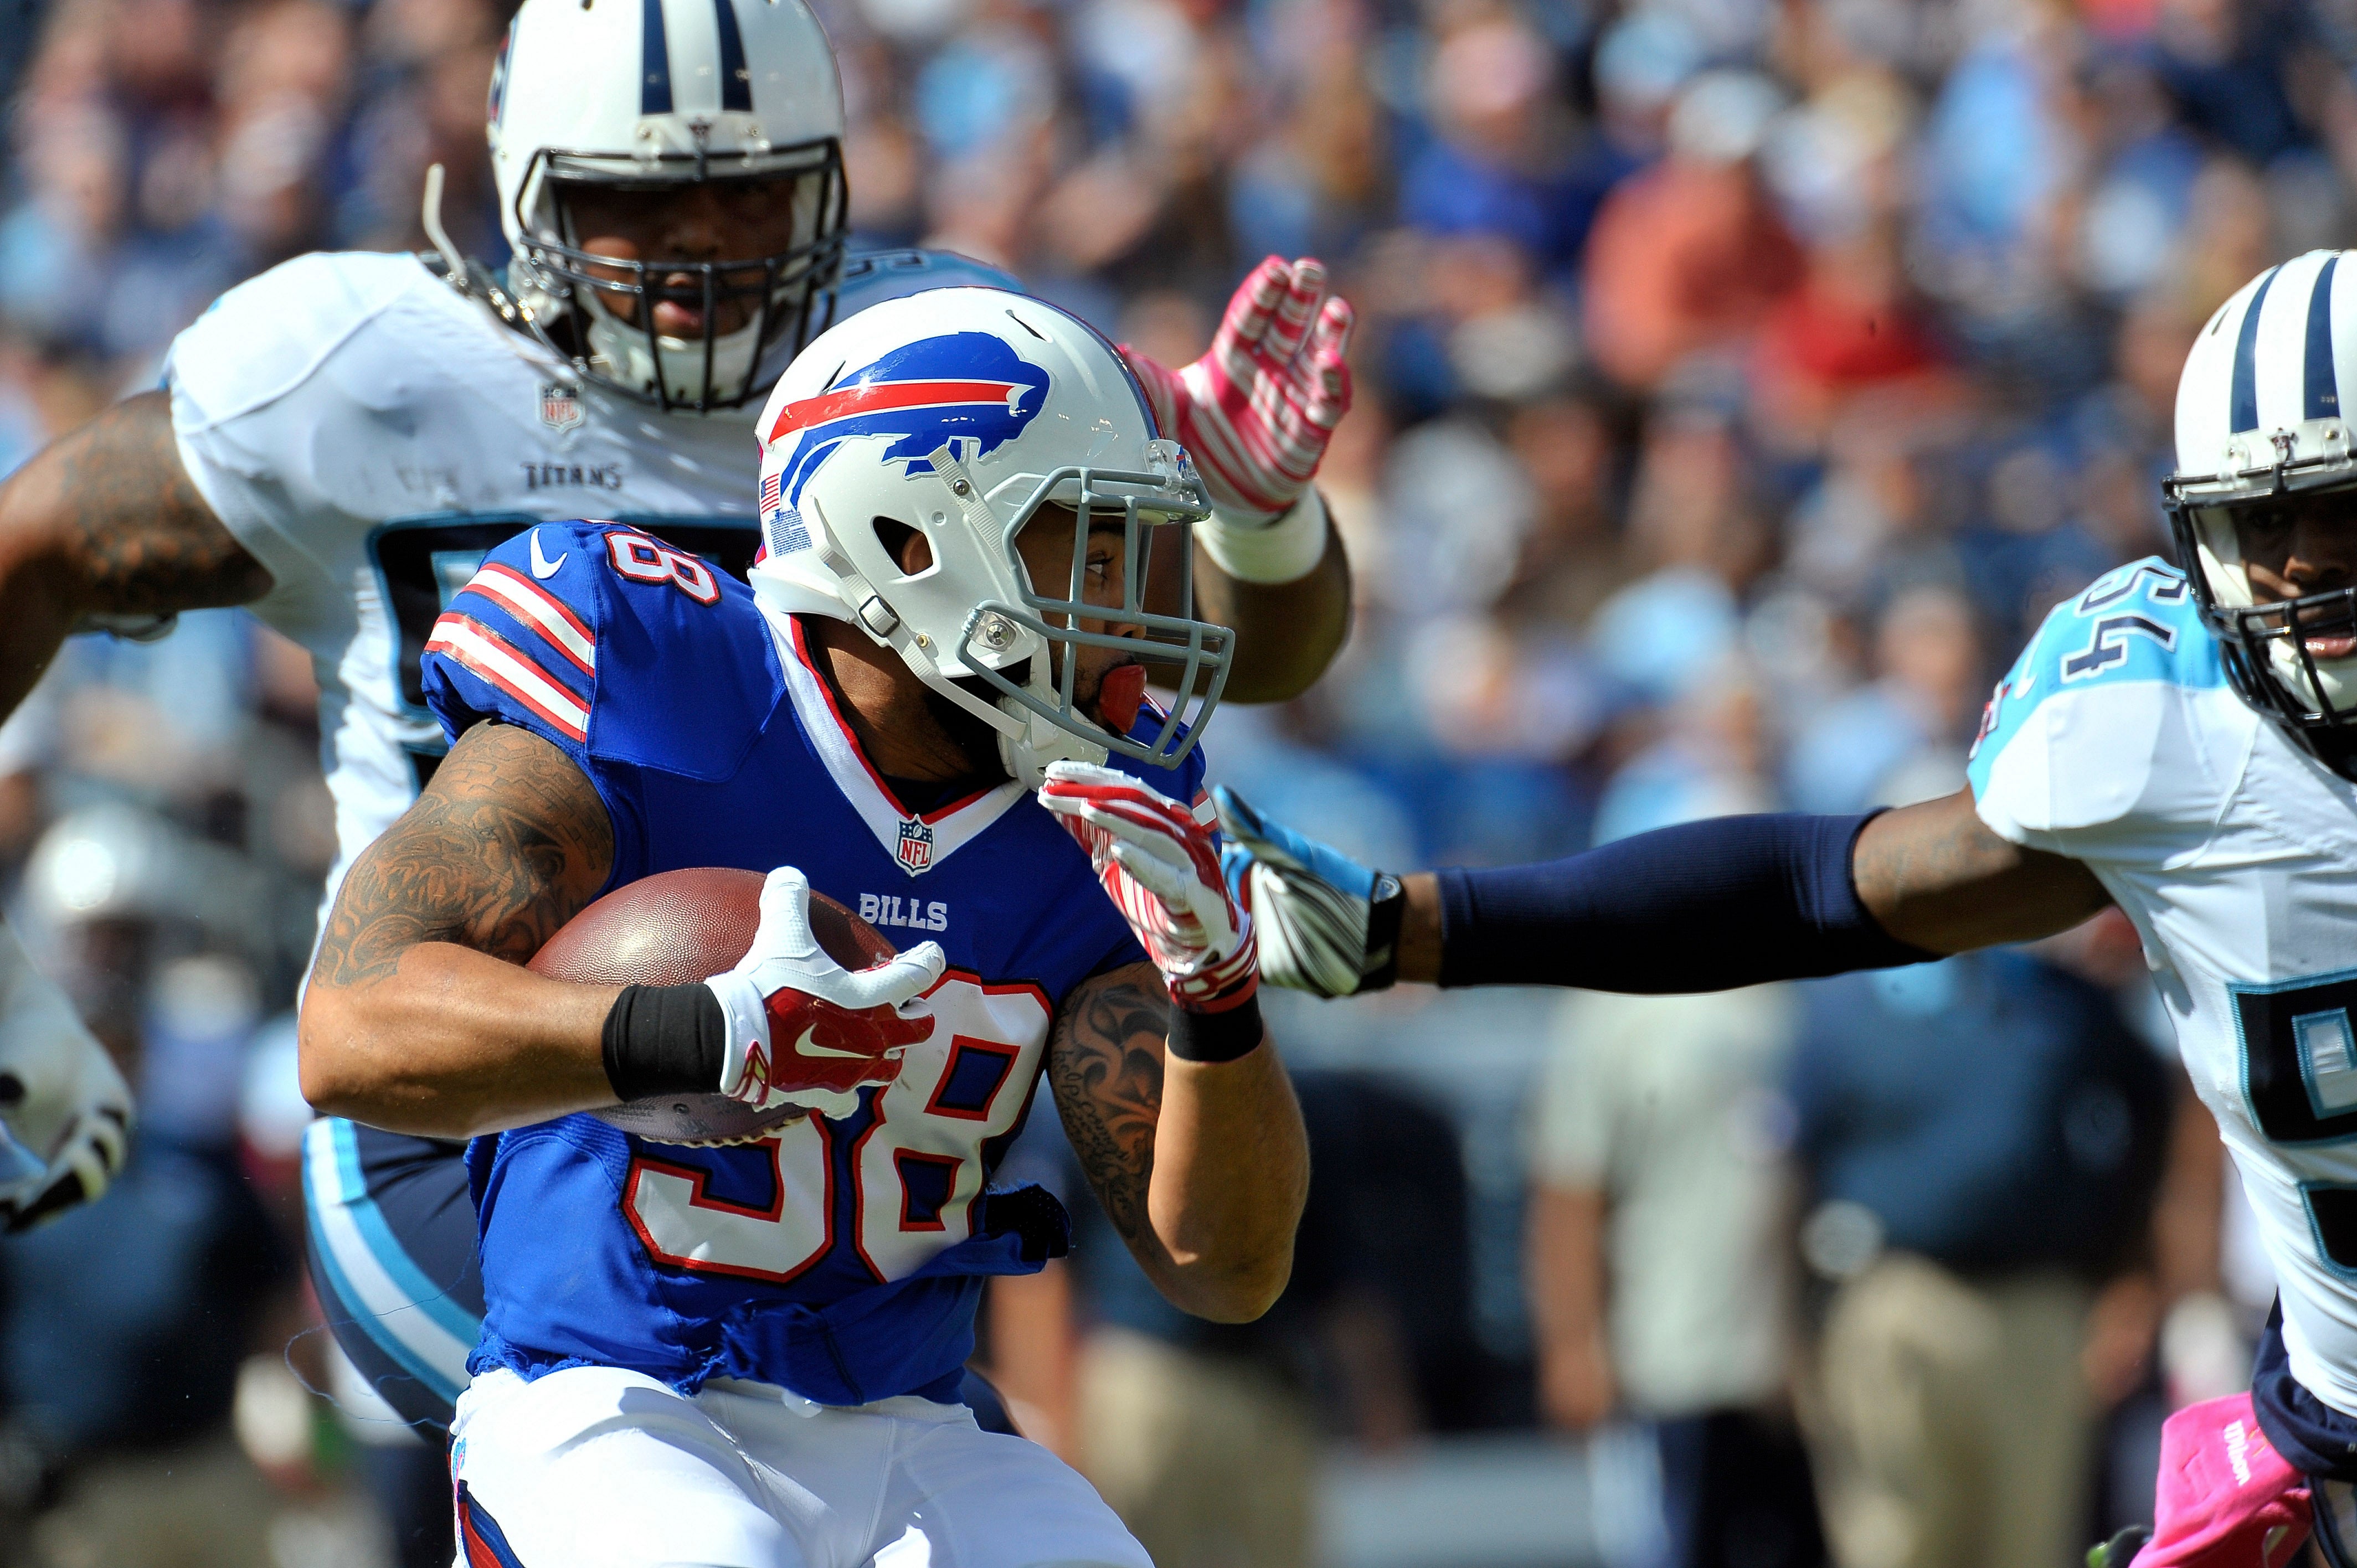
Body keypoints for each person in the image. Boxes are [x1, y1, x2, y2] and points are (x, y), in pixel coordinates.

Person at [0, 0, 1357, 1449]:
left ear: (832, 177)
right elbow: (32, 558)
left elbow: (1234, 655)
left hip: (874, 1062)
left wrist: (1257, 517)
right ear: (524, 195)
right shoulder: (363, 374)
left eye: (753, 189)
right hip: (488, 1063)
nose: (705, 242)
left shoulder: (922, 349)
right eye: (637, 204)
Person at [1216, 245, 2357, 1561]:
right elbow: (1812, 889)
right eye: (2266, 524)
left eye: (2344, 516)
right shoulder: (2172, 733)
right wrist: (1400, 926)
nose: (2303, 576)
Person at [294, 284, 1309, 1566]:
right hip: (614, 1403)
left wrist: (1216, 994)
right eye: (1083, 544)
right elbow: (353, 1027)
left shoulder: (1098, 798)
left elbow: (1223, 1266)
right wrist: (700, 1032)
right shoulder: (656, 664)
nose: (1122, 600)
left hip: (912, 1419)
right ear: (909, 536)